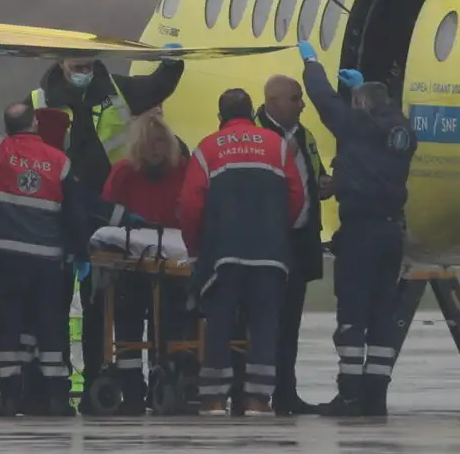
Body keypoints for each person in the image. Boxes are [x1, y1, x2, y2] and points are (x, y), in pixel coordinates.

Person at [24, 53, 184, 412]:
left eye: (88, 66)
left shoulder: (116, 89)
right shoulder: (39, 100)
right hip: (63, 208)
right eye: (77, 67)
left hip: (113, 205)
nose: (84, 73)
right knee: (72, 305)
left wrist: (172, 62)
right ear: (61, 63)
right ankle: (74, 380)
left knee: (112, 301)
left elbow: (158, 85)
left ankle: (115, 378)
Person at [296, 41, 417, 417]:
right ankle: (376, 396)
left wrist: (312, 62)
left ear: (361, 104)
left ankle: (349, 395)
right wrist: (363, 88)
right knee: (382, 315)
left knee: (352, 317)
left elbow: (321, 97)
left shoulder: (354, 125)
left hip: (361, 233)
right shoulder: (404, 133)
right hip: (392, 233)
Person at [178, 89, 305, 416]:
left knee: (218, 325)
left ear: (220, 117)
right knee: (265, 326)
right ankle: (258, 400)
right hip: (270, 253)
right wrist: (277, 228)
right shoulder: (276, 146)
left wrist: (196, 251)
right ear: (252, 112)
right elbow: (297, 195)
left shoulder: (207, 149)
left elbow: (190, 206)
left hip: (223, 254)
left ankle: (214, 399)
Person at [0, 102, 86, 417]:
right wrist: (80, 251)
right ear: (34, 126)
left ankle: (10, 397)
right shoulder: (60, 161)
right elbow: (76, 217)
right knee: (50, 326)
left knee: (9, 329)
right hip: (46, 262)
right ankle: (56, 397)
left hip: (4, 259)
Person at [254, 75, 334, 416]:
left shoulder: (305, 136)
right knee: (261, 323)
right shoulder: (256, 136)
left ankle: (286, 393)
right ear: (273, 102)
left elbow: (313, 180)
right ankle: (255, 394)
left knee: (290, 324)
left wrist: (330, 184)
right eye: (296, 98)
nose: (303, 104)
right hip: (266, 244)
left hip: (300, 242)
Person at [101, 111, 189, 415]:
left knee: (167, 322)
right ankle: (131, 388)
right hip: (130, 262)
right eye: (151, 144)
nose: (157, 150)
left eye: (162, 143)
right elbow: (109, 212)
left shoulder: (179, 170)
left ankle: (161, 377)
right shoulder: (124, 172)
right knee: (127, 321)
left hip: (170, 262)